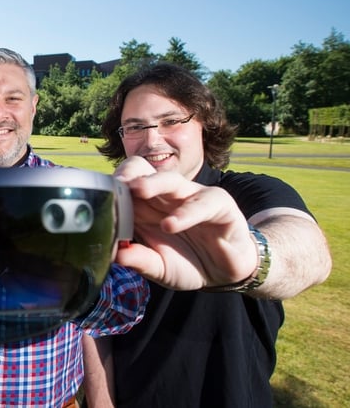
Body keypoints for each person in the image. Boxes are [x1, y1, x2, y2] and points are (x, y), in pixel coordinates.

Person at [0, 47, 150, 408]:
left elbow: (131, 302)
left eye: (13, 98)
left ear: (33, 106)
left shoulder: (86, 195)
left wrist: (67, 285)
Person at [84, 62, 332, 407]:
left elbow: (308, 252)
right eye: (135, 126)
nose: (152, 139)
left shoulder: (250, 193)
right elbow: (95, 326)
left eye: (171, 121)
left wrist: (251, 258)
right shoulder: (114, 207)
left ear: (203, 123)